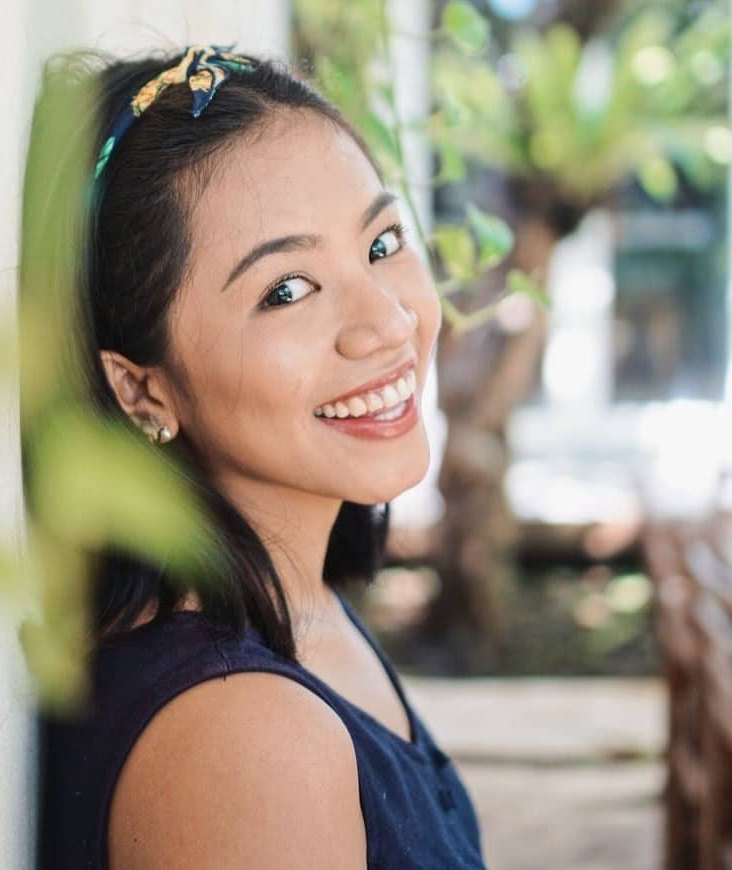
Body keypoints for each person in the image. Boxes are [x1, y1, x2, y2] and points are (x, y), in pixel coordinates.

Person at [28, 43, 486, 869]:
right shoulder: (243, 743)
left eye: (382, 244)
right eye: (287, 290)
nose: (386, 322)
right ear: (142, 391)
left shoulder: (295, 608)